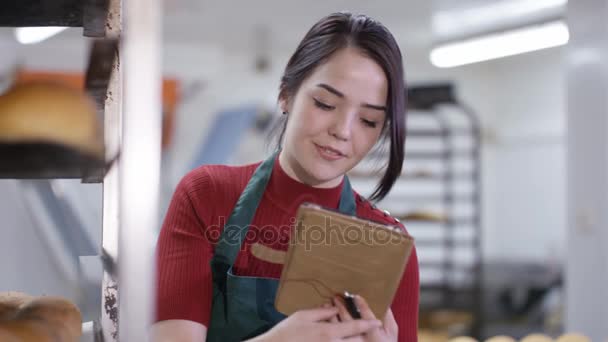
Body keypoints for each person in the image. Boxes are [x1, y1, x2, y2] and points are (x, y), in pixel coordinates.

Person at [152, 11, 419, 342]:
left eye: (368, 121)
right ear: (286, 95)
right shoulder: (206, 196)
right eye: (325, 103)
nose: (342, 131)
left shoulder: (387, 244)